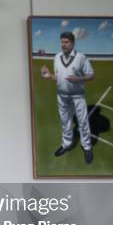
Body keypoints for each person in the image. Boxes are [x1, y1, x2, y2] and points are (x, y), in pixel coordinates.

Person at [41, 31, 95, 164]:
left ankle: (87, 147)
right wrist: (49, 76)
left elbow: (91, 75)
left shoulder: (81, 58)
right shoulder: (56, 57)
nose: (63, 45)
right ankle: (66, 144)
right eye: (62, 42)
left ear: (73, 43)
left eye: (66, 42)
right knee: (65, 122)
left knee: (82, 122)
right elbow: (59, 78)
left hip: (77, 96)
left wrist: (79, 78)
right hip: (62, 95)